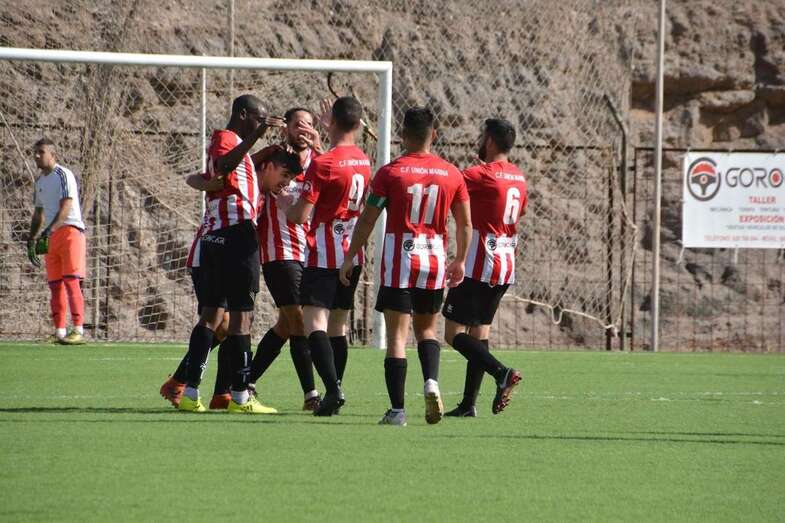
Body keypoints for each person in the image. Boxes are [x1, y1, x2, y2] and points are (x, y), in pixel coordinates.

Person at [339, 107, 471, 427]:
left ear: (402, 136)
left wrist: (350, 254)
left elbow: (368, 218)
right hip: (434, 258)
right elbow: (465, 224)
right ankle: (431, 383)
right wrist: (461, 259)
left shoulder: (390, 173)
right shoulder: (452, 174)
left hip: (400, 259)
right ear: (433, 135)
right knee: (427, 330)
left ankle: (397, 410)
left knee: (397, 337)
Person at [177, 93, 286, 414]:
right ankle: (240, 397)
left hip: (217, 237)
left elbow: (220, 173)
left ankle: (189, 393)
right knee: (241, 318)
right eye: (258, 118)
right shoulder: (227, 139)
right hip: (235, 234)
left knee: (212, 317)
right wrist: (257, 135)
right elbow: (225, 164)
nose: (261, 123)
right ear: (243, 115)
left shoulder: (236, 149)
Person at [279, 97, 371, 417]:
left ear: (330, 122)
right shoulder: (362, 159)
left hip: (323, 253)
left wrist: (283, 200)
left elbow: (301, 215)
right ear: (358, 125)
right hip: (352, 253)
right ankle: (337, 387)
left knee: (313, 323)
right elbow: (338, 175)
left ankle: (331, 390)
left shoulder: (323, 163)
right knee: (338, 326)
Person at [442, 118, 525, 416]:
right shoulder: (518, 176)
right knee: (479, 334)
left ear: (489, 140)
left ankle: (501, 372)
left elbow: (448, 181)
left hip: (480, 263)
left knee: (453, 334)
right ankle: (468, 404)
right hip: (505, 264)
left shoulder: (481, 174)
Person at [249, 107, 324, 411]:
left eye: (308, 124)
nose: (303, 129)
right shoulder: (273, 159)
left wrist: (321, 147)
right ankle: (311, 395)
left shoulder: (319, 163)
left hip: (307, 252)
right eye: (297, 124)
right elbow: (244, 167)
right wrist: (264, 148)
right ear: (286, 129)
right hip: (278, 252)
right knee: (298, 321)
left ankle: (245, 382)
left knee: (285, 325)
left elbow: (336, 176)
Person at [27, 138, 87, 345]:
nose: (36, 156)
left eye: (41, 152)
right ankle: (60, 331)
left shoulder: (63, 174)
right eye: (35, 152)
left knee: (71, 281)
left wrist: (48, 230)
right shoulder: (39, 182)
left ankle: (78, 329)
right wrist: (31, 238)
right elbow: (38, 214)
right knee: (54, 285)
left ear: (53, 154)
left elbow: (66, 206)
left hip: (70, 232)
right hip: (51, 235)